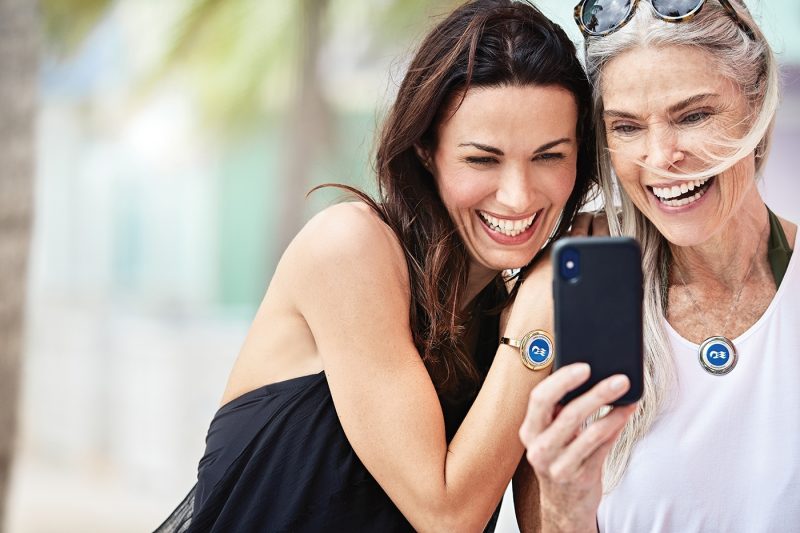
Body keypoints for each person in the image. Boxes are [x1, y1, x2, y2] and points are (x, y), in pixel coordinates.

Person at [156, 1, 598, 531]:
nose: (517, 194)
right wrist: (537, 325)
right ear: (425, 154)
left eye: (549, 156)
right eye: (482, 159)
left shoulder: (514, 320)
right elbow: (447, 515)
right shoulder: (350, 247)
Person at [518, 1, 799, 531]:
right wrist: (563, 509)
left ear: (757, 99)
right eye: (626, 127)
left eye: (693, 116)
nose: (659, 156)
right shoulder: (575, 304)